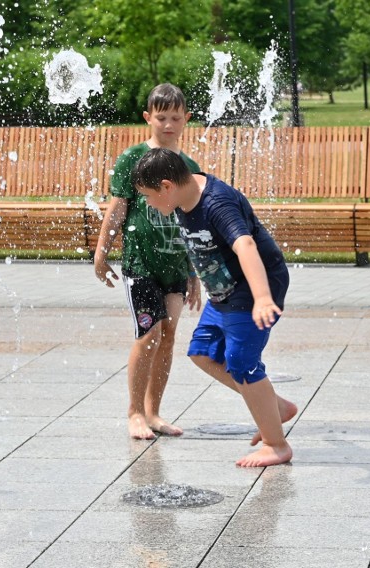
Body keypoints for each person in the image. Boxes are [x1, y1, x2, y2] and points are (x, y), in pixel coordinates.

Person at [131, 147, 297, 467]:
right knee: (202, 353)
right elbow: (198, 243)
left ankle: (276, 444)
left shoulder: (217, 203)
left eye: (149, 196)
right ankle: (274, 407)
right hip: (224, 291)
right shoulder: (182, 197)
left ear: (166, 186)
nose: (148, 204)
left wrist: (262, 298)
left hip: (254, 286)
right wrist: (195, 277)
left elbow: (245, 245)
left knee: (240, 360)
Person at [93, 84, 202, 440]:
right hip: (141, 263)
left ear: (186, 119)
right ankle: (134, 412)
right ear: (148, 118)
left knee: (168, 335)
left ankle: (154, 413)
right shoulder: (133, 159)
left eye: (175, 117)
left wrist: (193, 273)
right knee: (149, 333)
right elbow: (118, 207)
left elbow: (192, 219)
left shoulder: (189, 167)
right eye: (161, 117)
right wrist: (102, 252)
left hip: (175, 266)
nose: (168, 124)